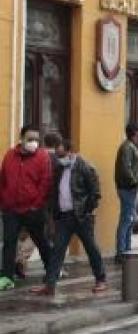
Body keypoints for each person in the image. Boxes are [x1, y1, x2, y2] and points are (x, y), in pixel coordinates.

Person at [31, 139, 106, 296]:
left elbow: (95, 192)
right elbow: (55, 191)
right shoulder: (59, 168)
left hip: (82, 217)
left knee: (91, 248)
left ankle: (101, 279)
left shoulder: (84, 166)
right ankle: (50, 284)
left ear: (71, 152)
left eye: (62, 154)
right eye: (58, 155)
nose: (59, 158)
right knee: (57, 250)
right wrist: (54, 213)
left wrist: (86, 210)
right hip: (64, 217)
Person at [0, 125, 53, 291]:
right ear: (21, 139)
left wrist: (35, 205)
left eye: (36, 139)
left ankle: (52, 269)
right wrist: (4, 201)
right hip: (11, 208)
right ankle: (7, 277)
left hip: (32, 209)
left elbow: (45, 183)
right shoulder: (10, 156)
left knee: (40, 240)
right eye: (30, 139)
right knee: (9, 242)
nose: (34, 142)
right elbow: (3, 180)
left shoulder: (43, 157)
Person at [114, 123, 138, 264]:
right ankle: (121, 252)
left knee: (130, 220)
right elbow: (126, 168)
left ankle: (127, 249)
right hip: (128, 189)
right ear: (135, 132)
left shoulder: (130, 147)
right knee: (126, 219)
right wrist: (134, 182)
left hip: (130, 188)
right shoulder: (127, 147)